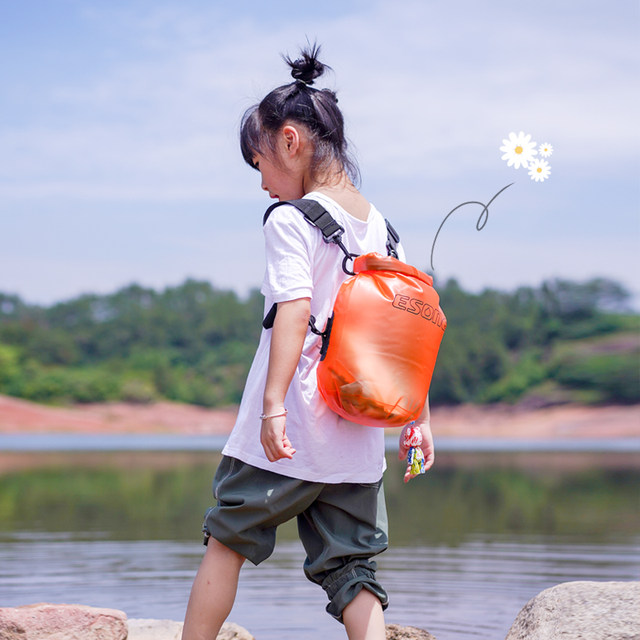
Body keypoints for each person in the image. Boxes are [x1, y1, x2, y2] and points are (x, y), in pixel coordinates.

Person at [181, 43, 435, 640]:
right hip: (357, 434)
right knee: (353, 570)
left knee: (227, 543)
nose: (265, 185)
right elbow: (409, 334)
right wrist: (419, 417)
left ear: (290, 141)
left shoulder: (291, 221)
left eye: (261, 165)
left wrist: (273, 408)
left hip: (290, 425)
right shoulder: (384, 230)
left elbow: (293, 313)